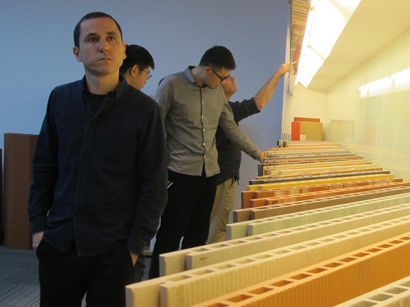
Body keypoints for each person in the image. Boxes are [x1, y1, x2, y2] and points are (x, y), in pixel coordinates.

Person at [28, 12, 168, 307]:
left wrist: (135, 245)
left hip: (114, 246)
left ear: (122, 52)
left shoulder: (144, 110)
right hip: (60, 239)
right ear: (77, 52)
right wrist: (38, 227)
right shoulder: (60, 99)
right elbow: (44, 166)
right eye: (92, 39)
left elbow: (154, 184)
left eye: (110, 38)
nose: (102, 46)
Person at [148, 46, 265, 278]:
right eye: (222, 77)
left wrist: (258, 154)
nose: (224, 82)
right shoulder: (171, 85)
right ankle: (156, 287)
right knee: (170, 235)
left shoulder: (216, 92)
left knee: (198, 237)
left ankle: (187, 284)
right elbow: (154, 128)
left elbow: (230, 126)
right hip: (179, 174)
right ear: (208, 70)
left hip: (209, 175)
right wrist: (155, 171)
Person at [206, 63, 290, 244]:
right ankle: (207, 260)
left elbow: (258, 103)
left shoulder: (224, 108)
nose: (233, 78)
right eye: (227, 77)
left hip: (220, 176)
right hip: (220, 177)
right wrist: (277, 74)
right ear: (217, 84)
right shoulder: (224, 108)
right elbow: (258, 103)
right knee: (215, 229)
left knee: (212, 226)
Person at [119, 44, 156, 284]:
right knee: (129, 277)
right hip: (127, 213)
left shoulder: (144, 108)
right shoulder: (144, 109)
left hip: (123, 216)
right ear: (134, 70)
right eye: (146, 74)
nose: (145, 81)